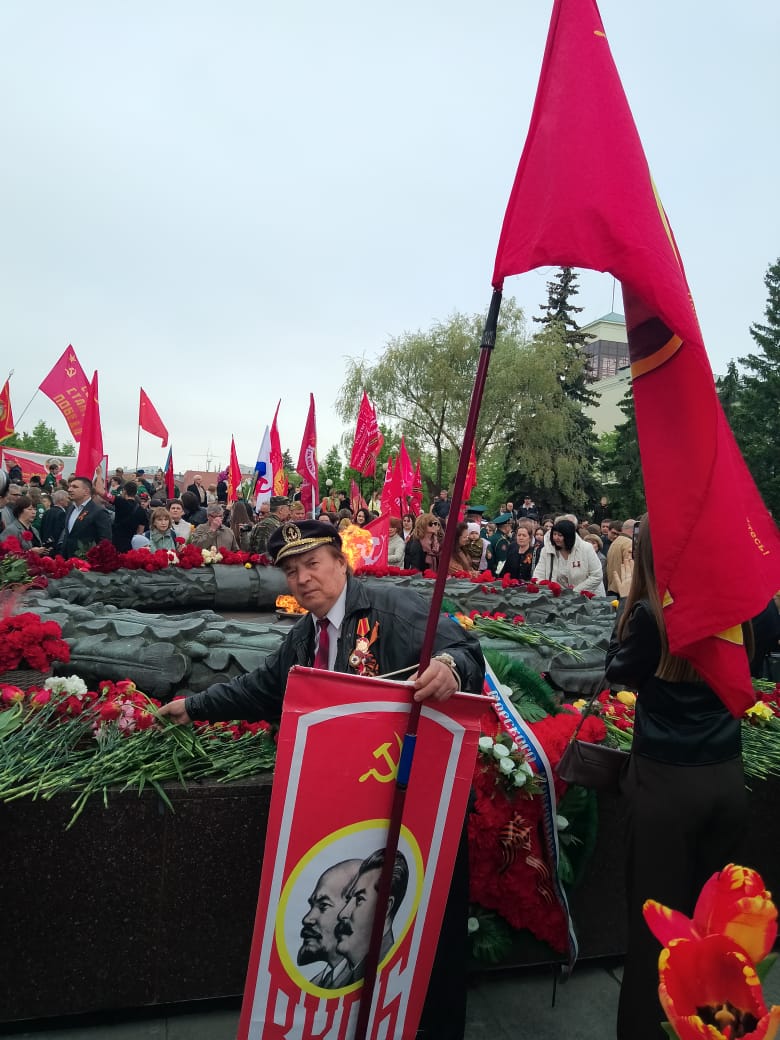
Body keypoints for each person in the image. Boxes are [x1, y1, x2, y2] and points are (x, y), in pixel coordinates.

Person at [158, 519, 484, 1040]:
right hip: (354, 811)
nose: (303, 578)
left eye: (312, 564)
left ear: (340, 561)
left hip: (415, 803)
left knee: (429, 931)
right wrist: (192, 706)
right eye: (291, 572)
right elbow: (263, 688)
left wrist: (448, 666)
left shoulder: (390, 609)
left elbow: (467, 651)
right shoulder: (304, 636)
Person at [605, 515, 749, 1039]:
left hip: (667, 789)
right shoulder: (735, 608)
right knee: (715, 932)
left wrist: (626, 608)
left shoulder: (650, 614)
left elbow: (617, 670)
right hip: (726, 780)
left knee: (657, 937)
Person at [335, 848, 409, 984]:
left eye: (359, 899)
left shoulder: (389, 974)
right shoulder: (342, 979)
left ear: (386, 907)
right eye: (349, 900)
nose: (342, 914)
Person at [298, 859, 361, 987]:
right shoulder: (314, 985)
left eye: (323, 906)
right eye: (312, 906)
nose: (307, 919)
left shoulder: (358, 981)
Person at [533, 518, 605, 595]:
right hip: (559, 597)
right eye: (554, 534)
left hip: (590, 596)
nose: (556, 538)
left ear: (569, 536)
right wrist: (545, 586)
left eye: (560, 535)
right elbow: (538, 574)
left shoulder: (586, 548)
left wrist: (574, 592)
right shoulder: (546, 550)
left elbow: (596, 576)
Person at [58, 476, 112, 558]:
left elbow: (105, 541)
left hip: (86, 560)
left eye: (75, 487)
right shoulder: (70, 509)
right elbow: (68, 536)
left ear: (86, 491)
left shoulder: (99, 512)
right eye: (70, 486)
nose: (69, 489)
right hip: (68, 559)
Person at [111, 481, 149, 553]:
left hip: (117, 542)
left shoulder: (119, 501)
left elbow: (102, 493)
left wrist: (99, 475)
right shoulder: (141, 510)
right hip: (131, 546)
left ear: (124, 491)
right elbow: (140, 532)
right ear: (135, 492)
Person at [488, 512, 513, 577]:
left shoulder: (493, 537)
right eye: (510, 524)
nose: (511, 527)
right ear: (506, 526)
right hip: (497, 573)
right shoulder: (502, 540)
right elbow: (502, 560)